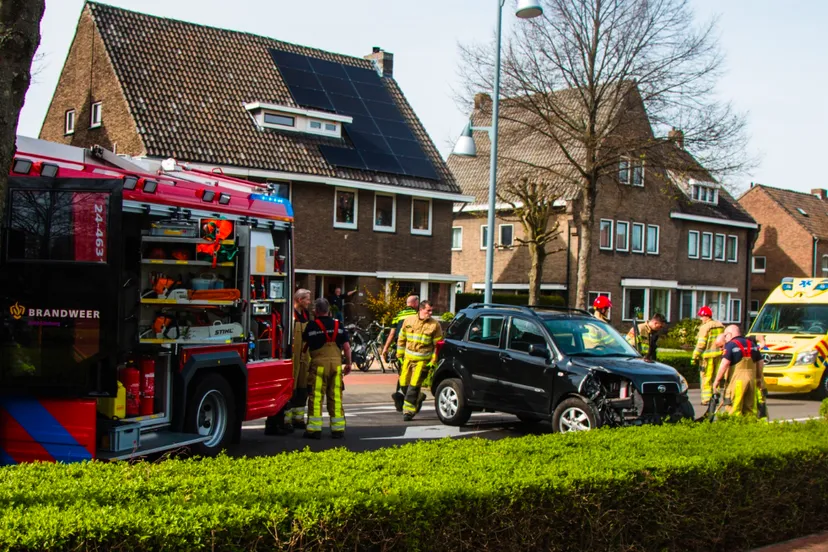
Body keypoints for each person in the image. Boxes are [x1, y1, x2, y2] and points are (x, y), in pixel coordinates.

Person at [303, 298, 352, 439]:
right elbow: (347, 347)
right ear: (329, 310)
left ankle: (314, 429)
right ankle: (338, 429)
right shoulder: (338, 325)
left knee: (316, 396)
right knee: (335, 396)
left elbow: (304, 344)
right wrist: (348, 363)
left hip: (318, 366)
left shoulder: (312, 325)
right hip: (336, 366)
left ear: (316, 311)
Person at [396, 300, 442, 421]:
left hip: (423, 361)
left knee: (414, 385)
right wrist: (399, 354)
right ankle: (419, 397)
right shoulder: (409, 320)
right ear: (421, 309)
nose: (430, 313)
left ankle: (409, 411)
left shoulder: (435, 325)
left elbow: (438, 346)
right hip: (408, 359)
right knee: (403, 384)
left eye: (431, 311)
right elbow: (402, 338)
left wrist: (433, 360)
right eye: (428, 310)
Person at [712, 324, 767, 417]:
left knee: (734, 408)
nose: (725, 338)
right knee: (749, 409)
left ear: (729, 334)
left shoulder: (730, 345)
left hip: (737, 382)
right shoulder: (752, 344)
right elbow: (760, 362)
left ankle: (735, 424)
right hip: (751, 382)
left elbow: (724, 364)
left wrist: (716, 381)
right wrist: (758, 378)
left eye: (725, 335)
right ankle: (749, 425)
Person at [382, 295, 419, 411]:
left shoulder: (398, 315)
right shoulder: (417, 315)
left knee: (402, 373)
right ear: (415, 303)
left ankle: (399, 397)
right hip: (413, 349)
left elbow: (392, 334)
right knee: (413, 375)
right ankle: (407, 399)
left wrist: (385, 348)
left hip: (400, 350)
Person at [286, 289, 312, 429]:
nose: (309, 302)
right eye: (307, 299)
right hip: (293, 356)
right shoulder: (291, 315)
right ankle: (286, 420)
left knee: (303, 386)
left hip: (304, 355)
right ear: (300, 300)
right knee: (292, 385)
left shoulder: (306, 314)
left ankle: (298, 418)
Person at [691, 306, 725, 405]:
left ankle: (706, 399)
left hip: (707, 358)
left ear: (706, 316)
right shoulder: (721, 326)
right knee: (716, 377)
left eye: (701, 316)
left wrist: (694, 357)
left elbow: (701, 344)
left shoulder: (705, 327)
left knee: (706, 378)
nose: (701, 319)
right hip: (719, 356)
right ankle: (716, 396)